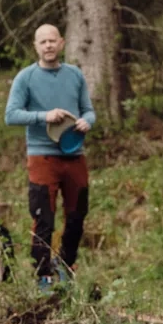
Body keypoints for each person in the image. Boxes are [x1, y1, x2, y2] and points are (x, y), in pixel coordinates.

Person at [5, 24, 96, 291]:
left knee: (78, 214)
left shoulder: (75, 75)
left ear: (62, 43)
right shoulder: (26, 78)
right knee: (43, 215)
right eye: (42, 42)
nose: (48, 46)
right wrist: (44, 116)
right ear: (36, 46)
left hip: (74, 153)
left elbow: (89, 111)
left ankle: (66, 266)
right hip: (42, 155)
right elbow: (11, 115)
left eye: (52, 41)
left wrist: (86, 122)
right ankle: (42, 275)